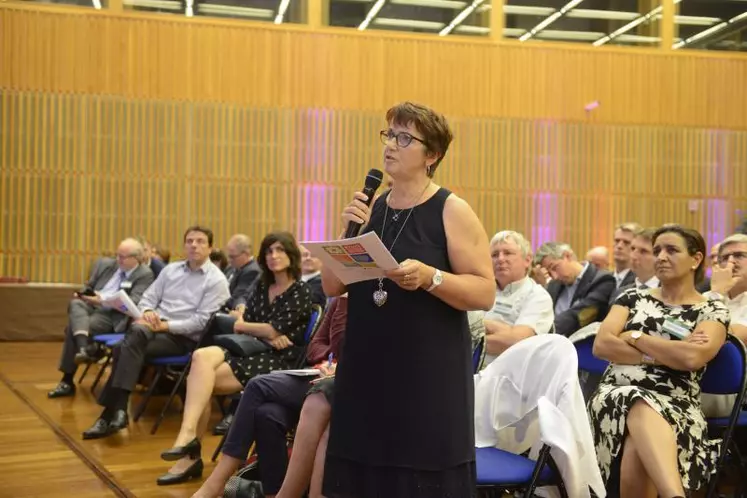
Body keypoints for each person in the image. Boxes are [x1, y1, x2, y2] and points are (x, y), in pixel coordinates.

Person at [321, 102, 495, 498]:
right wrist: (347, 229)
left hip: (425, 373)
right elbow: (333, 286)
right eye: (389, 135)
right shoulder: (373, 206)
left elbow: (484, 292)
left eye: (405, 138)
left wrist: (431, 277)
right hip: (368, 365)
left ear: (432, 155)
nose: (391, 146)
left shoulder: (451, 209)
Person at [157, 231, 313, 486]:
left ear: (291, 255)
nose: (273, 256)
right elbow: (246, 324)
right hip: (249, 348)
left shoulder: (301, 291)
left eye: (279, 250)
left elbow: (262, 328)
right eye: (268, 251)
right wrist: (262, 329)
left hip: (277, 359)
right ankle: (187, 437)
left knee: (198, 382)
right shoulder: (262, 285)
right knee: (200, 357)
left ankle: (189, 456)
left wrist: (260, 329)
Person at [590, 224, 730, 498]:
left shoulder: (712, 309)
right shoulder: (631, 297)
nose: (661, 257)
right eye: (657, 251)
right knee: (636, 398)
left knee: (636, 446)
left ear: (696, 259)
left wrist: (635, 335)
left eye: (671, 250)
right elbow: (602, 344)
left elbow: (692, 358)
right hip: (615, 394)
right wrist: (667, 353)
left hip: (678, 403)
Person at [190, 295, 348, 498]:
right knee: (267, 414)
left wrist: (338, 358)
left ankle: (219, 479)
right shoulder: (336, 303)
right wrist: (329, 358)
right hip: (319, 373)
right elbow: (314, 347)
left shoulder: (351, 300)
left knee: (256, 385)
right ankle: (273, 492)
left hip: (335, 382)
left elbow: (344, 348)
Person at [81, 226, 230, 440]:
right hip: (152, 329)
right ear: (184, 245)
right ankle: (118, 412)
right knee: (134, 336)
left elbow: (200, 322)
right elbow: (148, 298)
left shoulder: (217, 280)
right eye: (189, 241)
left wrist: (165, 326)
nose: (194, 245)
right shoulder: (171, 270)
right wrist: (149, 311)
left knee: (125, 346)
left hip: (182, 339)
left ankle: (111, 414)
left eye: (200, 241)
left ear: (211, 247)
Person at [48, 238, 155, 398]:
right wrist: (83, 294)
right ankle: (85, 348)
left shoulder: (144, 274)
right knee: (76, 304)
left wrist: (103, 300)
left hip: (112, 315)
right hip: (88, 306)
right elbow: (89, 286)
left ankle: (68, 379)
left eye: (123, 257)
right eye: (117, 255)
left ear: (136, 258)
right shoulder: (105, 265)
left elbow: (133, 302)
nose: (118, 259)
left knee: (73, 327)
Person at [482, 230, 554, 365]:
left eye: (508, 253)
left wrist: (477, 327)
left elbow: (516, 342)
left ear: (527, 260)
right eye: (494, 255)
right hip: (469, 372)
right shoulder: (480, 289)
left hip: (511, 376)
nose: (500, 259)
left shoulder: (538, 296)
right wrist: (507, 331)